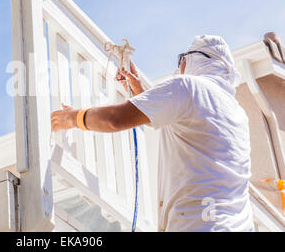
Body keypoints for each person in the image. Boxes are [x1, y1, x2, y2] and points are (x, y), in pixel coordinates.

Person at [51, 35, 254, 232]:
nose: (179, 67)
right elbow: (180, 124)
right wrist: (140, 90)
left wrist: (73, 117)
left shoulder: (189, 87)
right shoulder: (237, 113)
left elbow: (114, 119)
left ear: (190, 60)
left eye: (181, 59)